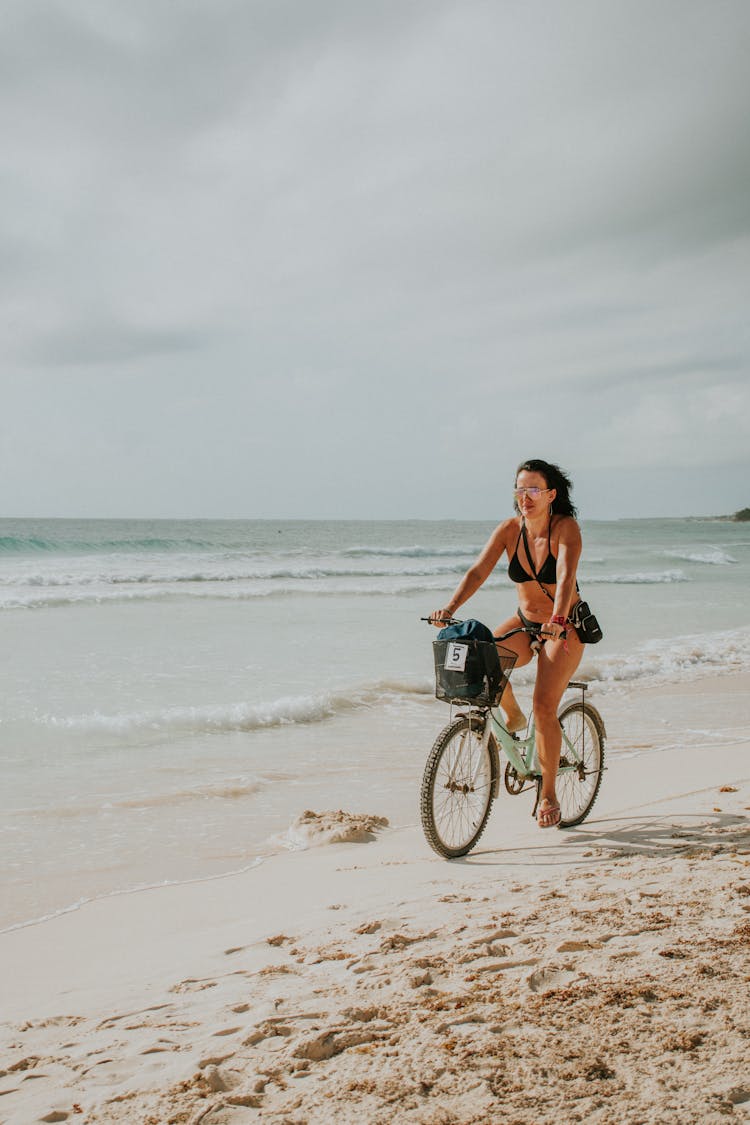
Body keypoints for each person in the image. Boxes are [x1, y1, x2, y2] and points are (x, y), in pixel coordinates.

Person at [429, 459, 584, 829]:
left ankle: (548, 793)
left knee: (544, 707)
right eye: (519, 489)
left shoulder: (566, 528)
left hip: (564, 627)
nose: (524, 497)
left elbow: (565, 578)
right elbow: (478, 571)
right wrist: (449, 608)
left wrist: (559, 620)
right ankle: (512, 718)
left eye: (533, 489)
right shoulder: (510, 530)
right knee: (483, 659)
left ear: (550, 495)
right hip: (527, 621)